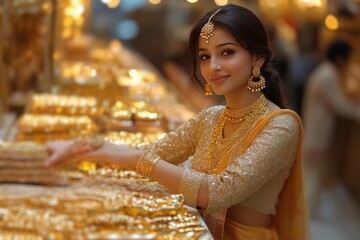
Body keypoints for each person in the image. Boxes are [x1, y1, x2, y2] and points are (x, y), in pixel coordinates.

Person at [45, 4, 309, 240]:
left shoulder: (281, 127)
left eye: (226, 53)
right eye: (205, 56)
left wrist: (138, 162)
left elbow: (215, 193)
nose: (213, 66)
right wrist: (79, 147)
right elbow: (154, 151)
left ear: (257, 58)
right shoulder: (211, 118)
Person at [302, 39, 360, 218]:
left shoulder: (325, 71)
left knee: (316, 174)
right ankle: (306, 214)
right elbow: (340, 104)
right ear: (340, 58)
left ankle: (309, 212)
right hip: (317, 135)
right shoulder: (328, 74)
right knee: (313, 175)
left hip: (316, 132)